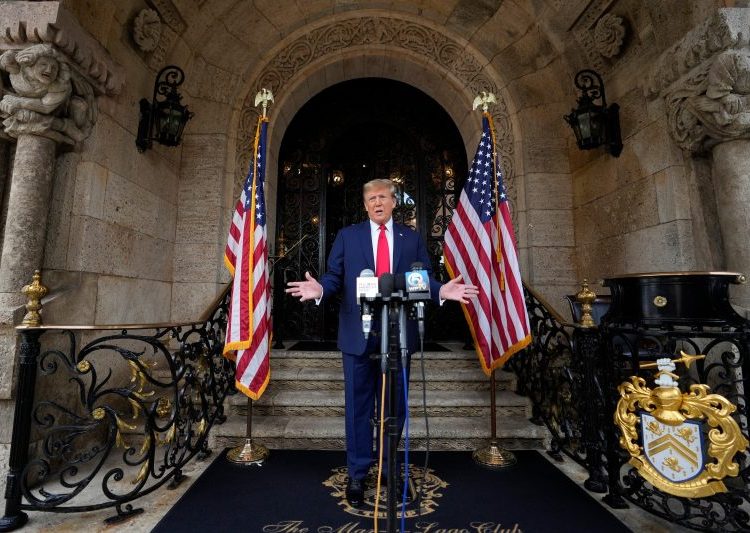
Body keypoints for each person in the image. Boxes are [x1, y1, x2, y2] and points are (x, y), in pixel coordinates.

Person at [286, 178, 478, 507]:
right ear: (365, 205)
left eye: (383, 197)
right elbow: (334, 277)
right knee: (358, 409)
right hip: (358, 335)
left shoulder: (410, 237)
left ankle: (389, 468)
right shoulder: (348, 236)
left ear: (393, 202)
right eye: (371, 198)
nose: (377, 202)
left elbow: (422, 277)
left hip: (399, 334)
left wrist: (441, 291)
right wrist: (320, 290)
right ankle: (358, 474)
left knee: (394, 408)